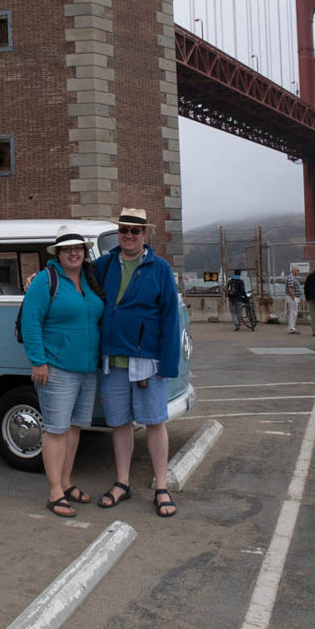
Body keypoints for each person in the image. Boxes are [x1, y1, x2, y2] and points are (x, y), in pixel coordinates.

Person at [93, 208, 180, 518]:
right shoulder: (104, 265)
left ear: (145, 234)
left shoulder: (160, 269)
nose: (129, 235)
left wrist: (169, 364)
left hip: (147, 360)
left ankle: (161, 486)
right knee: (119, 422)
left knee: (155, 421)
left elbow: (171, 317)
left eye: (135, 230)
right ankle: (122, 482)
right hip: (113, 359)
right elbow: (72, 272)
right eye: (124, 230)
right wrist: (44, 272)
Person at [21, 226, 105, 519]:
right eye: (68, 249)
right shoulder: (45, 281)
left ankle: (67, 482)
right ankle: (55, 491)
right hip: (56, 368)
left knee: (74, 428)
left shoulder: (90, 279)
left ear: (84, 252)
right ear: (57, 253)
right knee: (56, 430)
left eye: (79, 248)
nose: (74, 253)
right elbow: (31, 321)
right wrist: (38, 361)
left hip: (87, 369)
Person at [285, 265, 302, 334]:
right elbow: (290, 289)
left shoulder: (292, 277)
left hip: (292, 297)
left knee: (293, 313)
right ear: (293, 270)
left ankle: (291, 328)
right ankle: (291, 328)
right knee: (293, 313)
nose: (299, 272)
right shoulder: (291, 278)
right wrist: (294, 298)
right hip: (292, 297)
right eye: (298, 270)